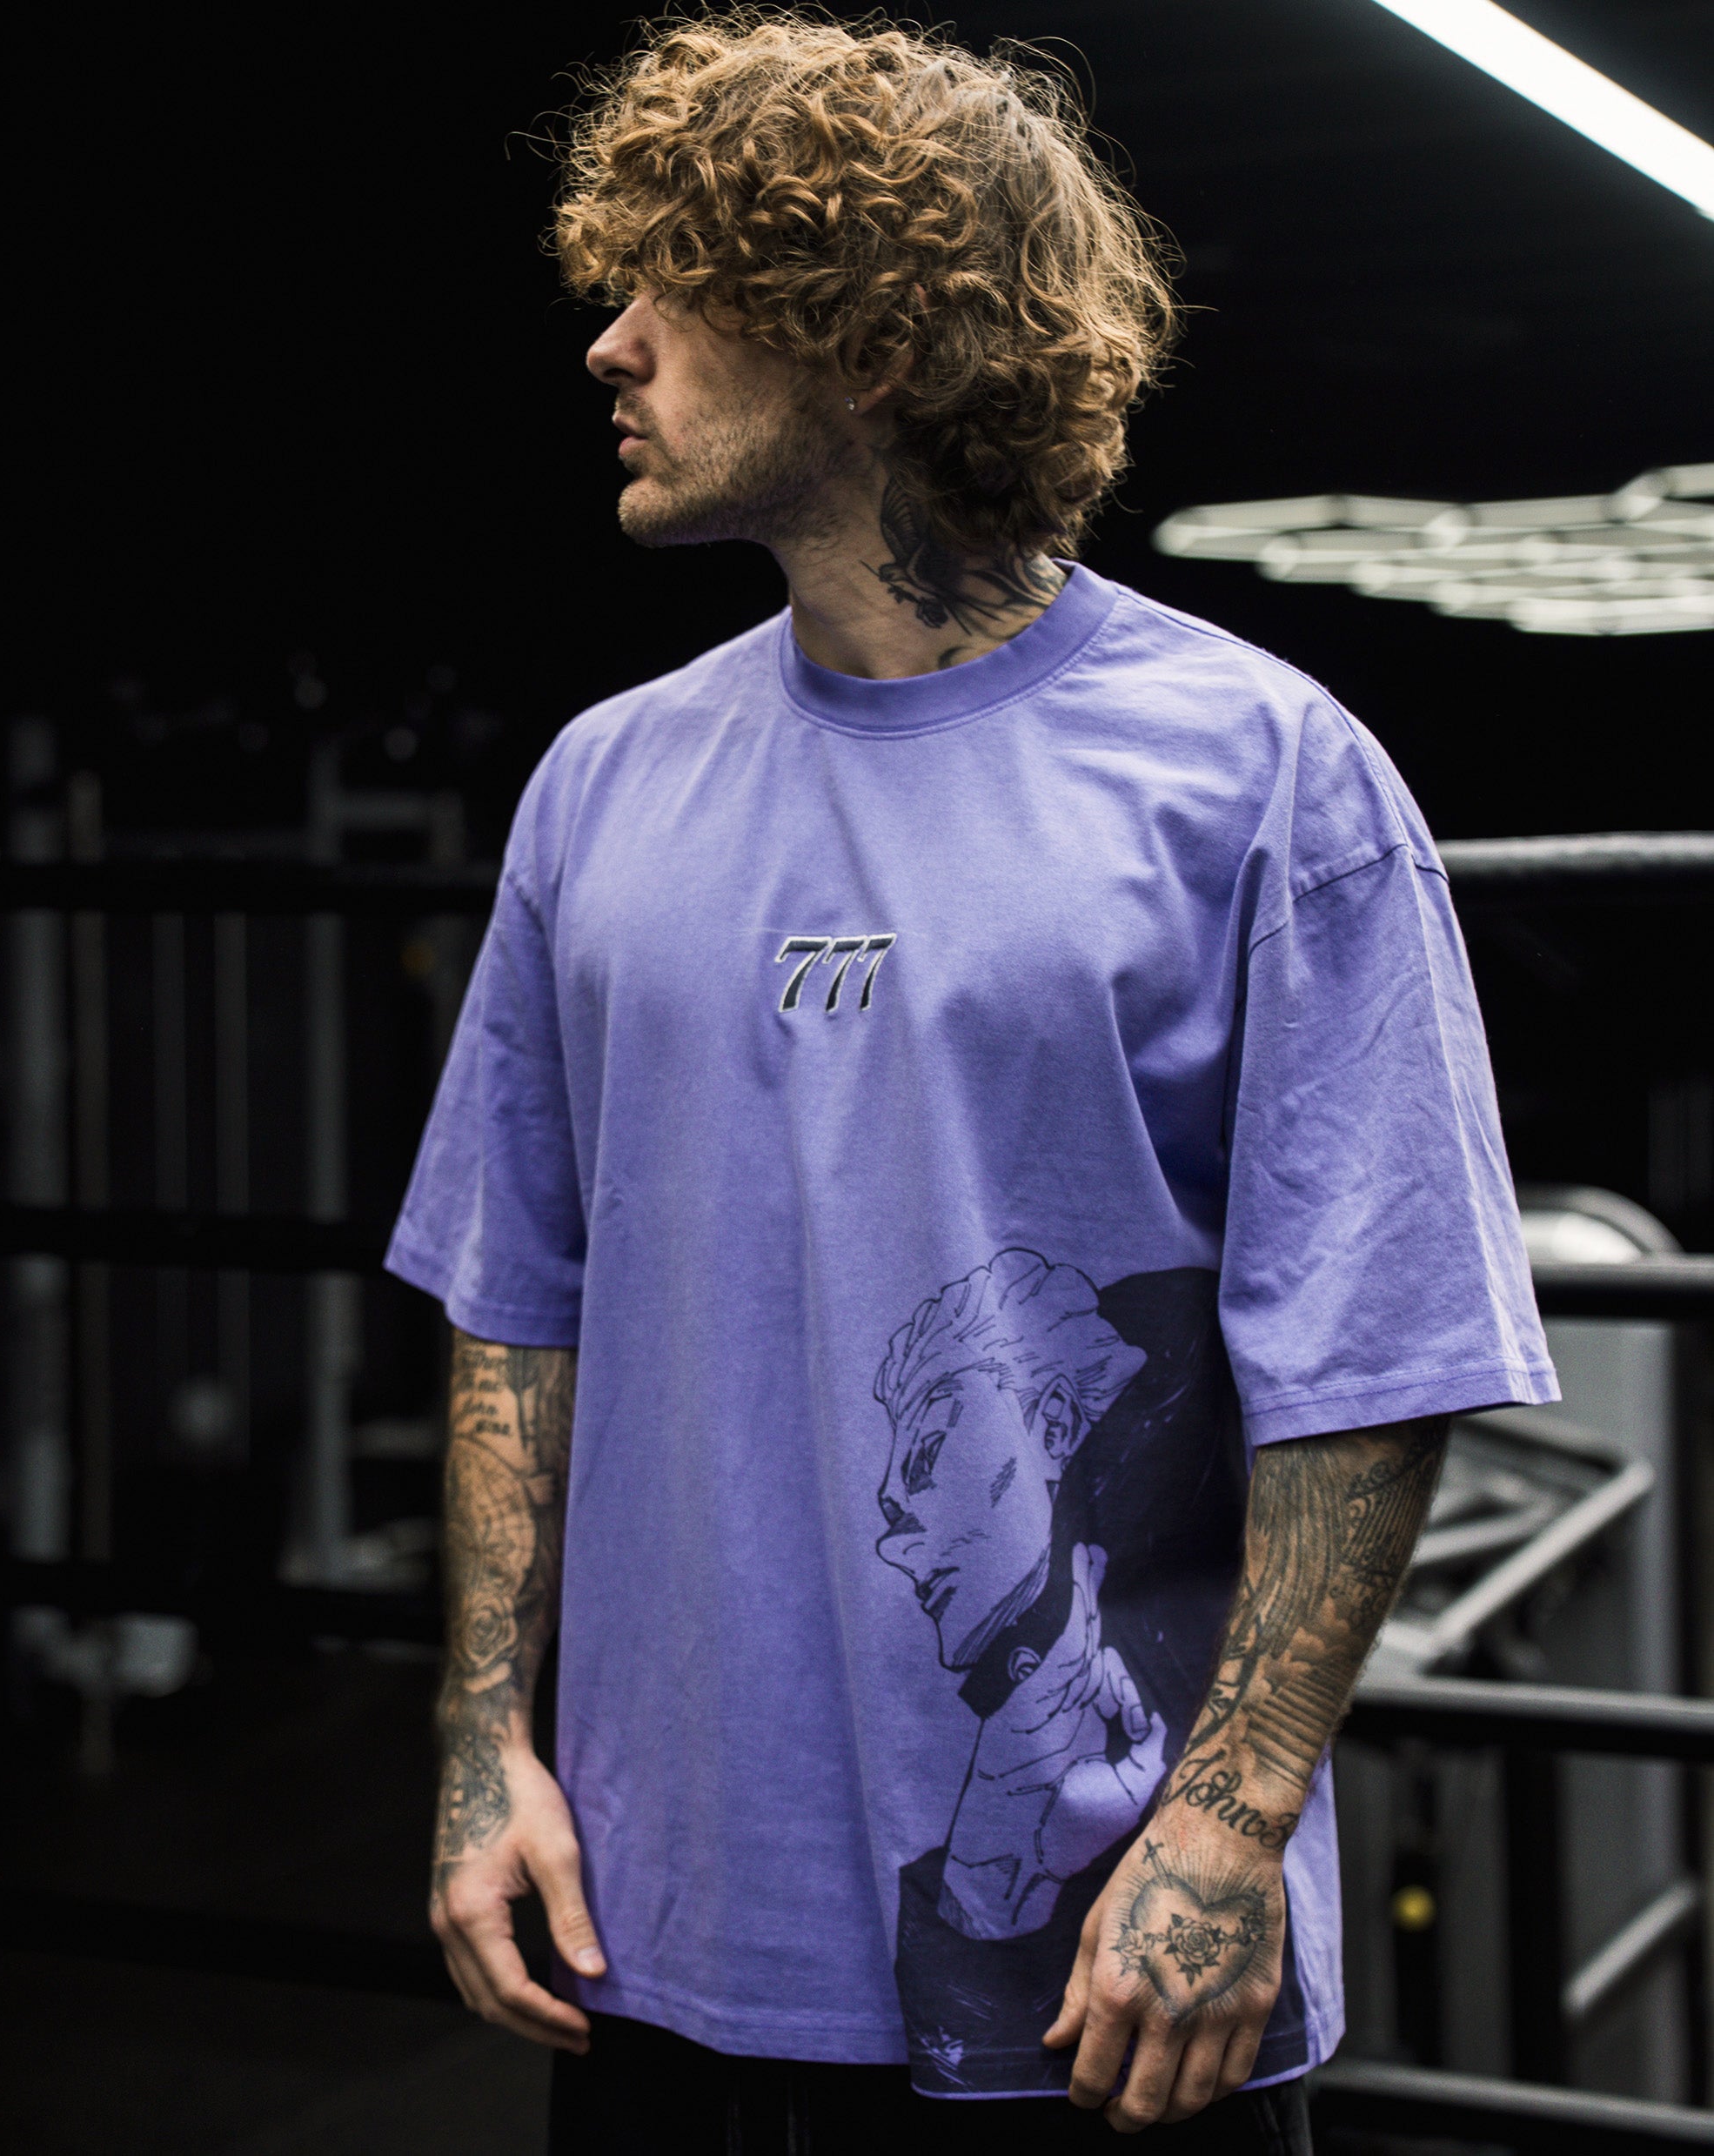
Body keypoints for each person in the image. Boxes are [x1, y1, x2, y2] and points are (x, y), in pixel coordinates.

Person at [385, 14, 1557, 2152]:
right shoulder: (600, 786)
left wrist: (1228, 1823)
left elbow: (1370, 1358)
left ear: (865, 342)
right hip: (663, 1940)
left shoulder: (1261, 773)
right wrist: (485, 1751)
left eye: (674, 294)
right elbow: (512, 1314)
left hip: (1102, 1977)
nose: (609, 347)